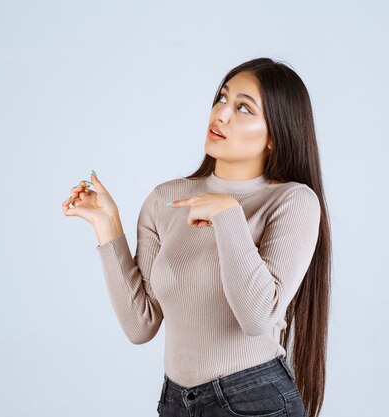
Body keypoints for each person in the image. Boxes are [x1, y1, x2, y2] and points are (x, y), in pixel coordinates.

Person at [62, 57, 332, 417]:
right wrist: (107, 224)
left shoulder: (292, 201)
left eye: (243, 108)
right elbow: (141, 324)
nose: (221, 115)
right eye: (222, 98)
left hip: (254, 401)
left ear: (274, 136)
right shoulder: (165, 199)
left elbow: (257, 318)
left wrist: (228, 215)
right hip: (175, 402)